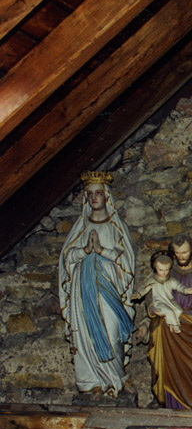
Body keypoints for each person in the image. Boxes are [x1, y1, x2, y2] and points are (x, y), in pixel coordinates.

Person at [59, 171, 136, 399]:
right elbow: (66, 259)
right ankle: (90, 382)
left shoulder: (116, 227)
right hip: (83, 291)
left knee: (112, 335)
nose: (94, 198)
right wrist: (85, 251)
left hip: (109, 291)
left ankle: (116, 379)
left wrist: (102, 251)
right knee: (85, 338)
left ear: (107, 197)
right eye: (89, 194)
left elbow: (127, 262)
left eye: (98, 193)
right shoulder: (80, 228)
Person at [147, 234, 192, 410]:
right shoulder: (167, 270)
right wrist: (151, 308)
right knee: (172, 372)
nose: (181, 256)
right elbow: (151, 292)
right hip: (170, 328)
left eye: (185, 252)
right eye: (178, 253)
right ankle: (174, 408)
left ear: (191, 250)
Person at [133, 252, 192, 334]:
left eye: (166, 270)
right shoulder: (153, 280)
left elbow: (179, 286)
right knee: (168, 312)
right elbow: (145, 289)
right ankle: (174, 325)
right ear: (155, 268)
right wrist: (138, 294)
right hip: (158, 302)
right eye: (161, 270)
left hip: (170, 301)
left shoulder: (171, 279)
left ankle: (173, 325)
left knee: (178, 310)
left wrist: (186, 290)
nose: (164, 273)